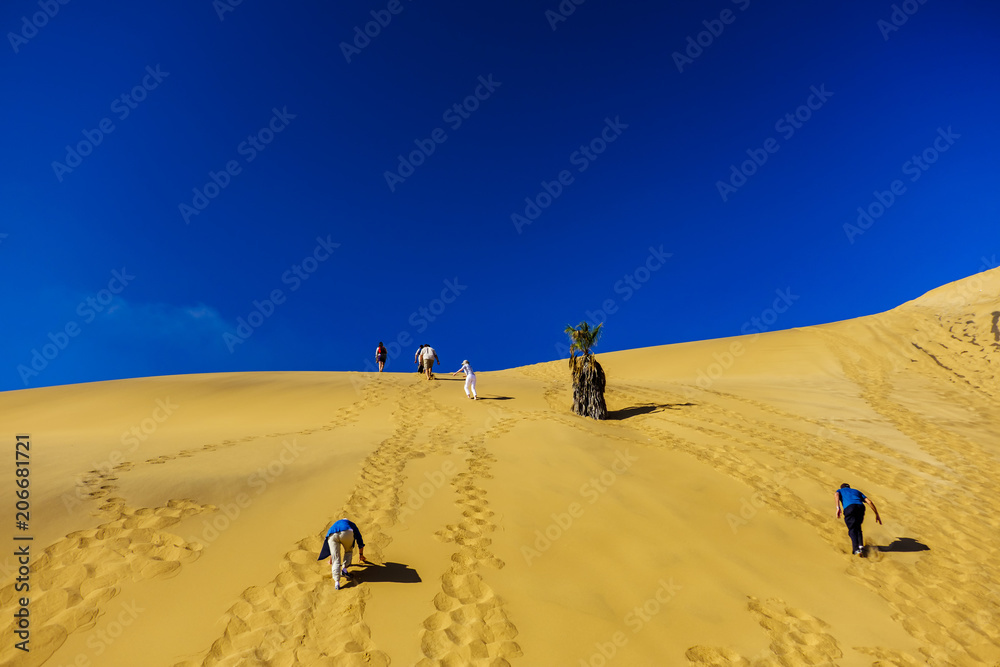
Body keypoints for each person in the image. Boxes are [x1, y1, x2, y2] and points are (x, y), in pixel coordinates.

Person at [320, 518, 367, 589]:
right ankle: (344, 570)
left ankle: (337, 582)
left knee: (336, 558)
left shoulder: (335, 524)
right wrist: (361, 555)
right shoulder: (351, 524)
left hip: (331, 535)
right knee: (348, 551)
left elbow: (330, 547)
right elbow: (359, 539)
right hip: (346, 532)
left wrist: (331, 559)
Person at [835, 483, 881, 555]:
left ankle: (856, 550)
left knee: (852, 529)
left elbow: (836, 494)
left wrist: (838, 507)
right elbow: (869, 501)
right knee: (858, 527)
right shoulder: (856, 491)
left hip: (849, 508)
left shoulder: (840, 490)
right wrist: (876, 513)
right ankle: (861, 546)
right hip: (860, 507)